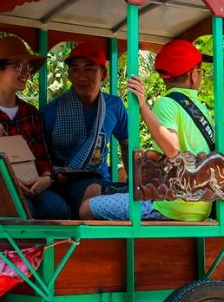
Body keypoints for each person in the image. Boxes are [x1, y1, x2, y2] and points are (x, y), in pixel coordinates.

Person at [80, 39, 213, 221]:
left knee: (86, 207)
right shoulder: (203, 110)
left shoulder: (167, 104)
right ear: (194, 76)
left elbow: (172, 148)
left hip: (168, 206)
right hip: (200, 208)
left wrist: (143, 106)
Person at [0, 35, 71, 219]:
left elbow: (42, 158)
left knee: (59, 209)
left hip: (35, 186)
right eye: (18, 66)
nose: (26, 72)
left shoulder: (31, 113)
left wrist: (45, 178)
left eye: (28, 66)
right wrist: (8, 181)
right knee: (25, 212)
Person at [41, 42, 129, 216]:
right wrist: (52, 173)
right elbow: (39, 155)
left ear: (103, 74)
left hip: (100, 178)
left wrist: (135, 182)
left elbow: (127, 145)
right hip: (62, 182)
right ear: (69, 75)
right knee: (94, 191)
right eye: (75, 69)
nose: (81, 77)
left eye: (89, 69)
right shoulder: (50, 112)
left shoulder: (114, 105)